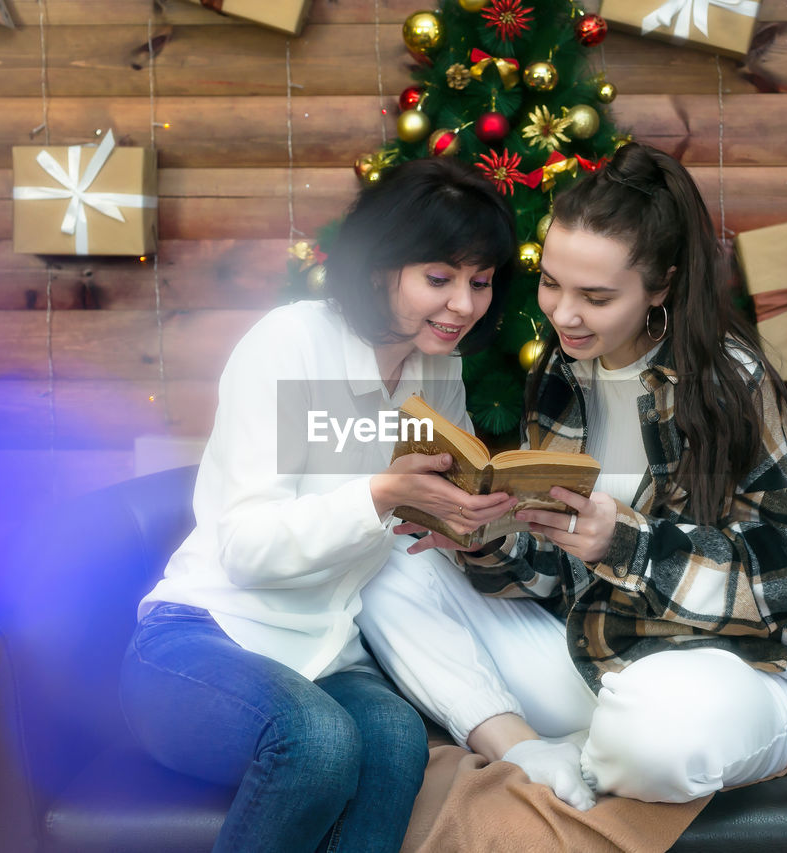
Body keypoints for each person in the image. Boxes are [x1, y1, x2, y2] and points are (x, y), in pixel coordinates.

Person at [357, 143, 787, 811]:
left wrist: (626, 544)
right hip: (591, 654)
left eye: (597, 295)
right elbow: (557, 572)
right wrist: (487, 540)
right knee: (384, 559)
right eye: (551, 282)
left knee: (653, 731)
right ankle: (532, 748)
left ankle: (604, 744)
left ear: (661, 285)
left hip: (733, 672)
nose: (563, 314)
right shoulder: (562, 373)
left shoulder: (730, 384)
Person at [119, 157, 519, 853]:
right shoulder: (290, 342)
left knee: (397, 740)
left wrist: (456, 524)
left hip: (326, 654)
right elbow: (245, 545)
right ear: (376, 268)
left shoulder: (437, 366)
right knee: (320, 740)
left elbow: (412, 517)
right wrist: (380, 493)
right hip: (199, 640)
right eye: (439, 277)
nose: (463, 304)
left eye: (479, 282)